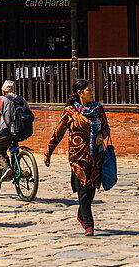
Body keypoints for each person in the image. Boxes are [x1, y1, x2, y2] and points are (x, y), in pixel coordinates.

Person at [45, 78, 111, 237]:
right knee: (83, 189)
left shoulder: (98, 109)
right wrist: (48, 152)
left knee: (91, 190)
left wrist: (102, 135)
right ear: (80, 93)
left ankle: (81, 215)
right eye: (89, 90)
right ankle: (89, 225)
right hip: (78, 158)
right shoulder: (70, 112)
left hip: (96, 156)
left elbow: (106, 128)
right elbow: (58, 133)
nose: (92, 92)